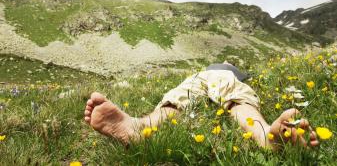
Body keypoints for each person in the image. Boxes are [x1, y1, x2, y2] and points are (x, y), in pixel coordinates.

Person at [83, 62, 319, 150]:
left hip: (213, 77)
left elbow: (240, 79)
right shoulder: (221, 68)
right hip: (199, 78)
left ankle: (266, 136)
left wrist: (230, 68)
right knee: (179, 97)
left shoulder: (229, 69)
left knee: (230, 95)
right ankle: (139, 127)